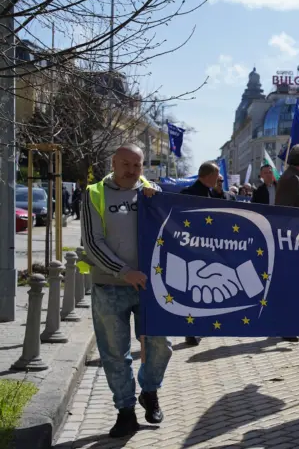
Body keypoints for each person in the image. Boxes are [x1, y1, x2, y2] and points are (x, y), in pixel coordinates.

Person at [81, 144, 172, 438]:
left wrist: (158, 204)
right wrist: (124, 271)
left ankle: (149, 391)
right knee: (115, 354)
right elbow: (92, 243)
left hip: (149, 287)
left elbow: (171, 231)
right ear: (114, 163)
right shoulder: (93, 194)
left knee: (160, 346)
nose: (132, 171)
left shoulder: (152, 192)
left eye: (138, 165)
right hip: (110, 286)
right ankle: (125, 411)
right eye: (126, 165)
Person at [274, 144, 299, 342]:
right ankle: (286, 324)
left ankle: (292, 322)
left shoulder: (296, 177)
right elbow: (284, 211)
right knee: (291, 284)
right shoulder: (291, 179)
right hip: (292, 240)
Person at [179, 161, 221, 346]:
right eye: (216, 175)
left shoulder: (212, 194)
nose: (218, 179)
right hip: (193, 249)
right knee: (194, 289)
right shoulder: (188, 194)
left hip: (207, 249)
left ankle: (197, 327)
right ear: (208, 175)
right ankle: (191, 330)